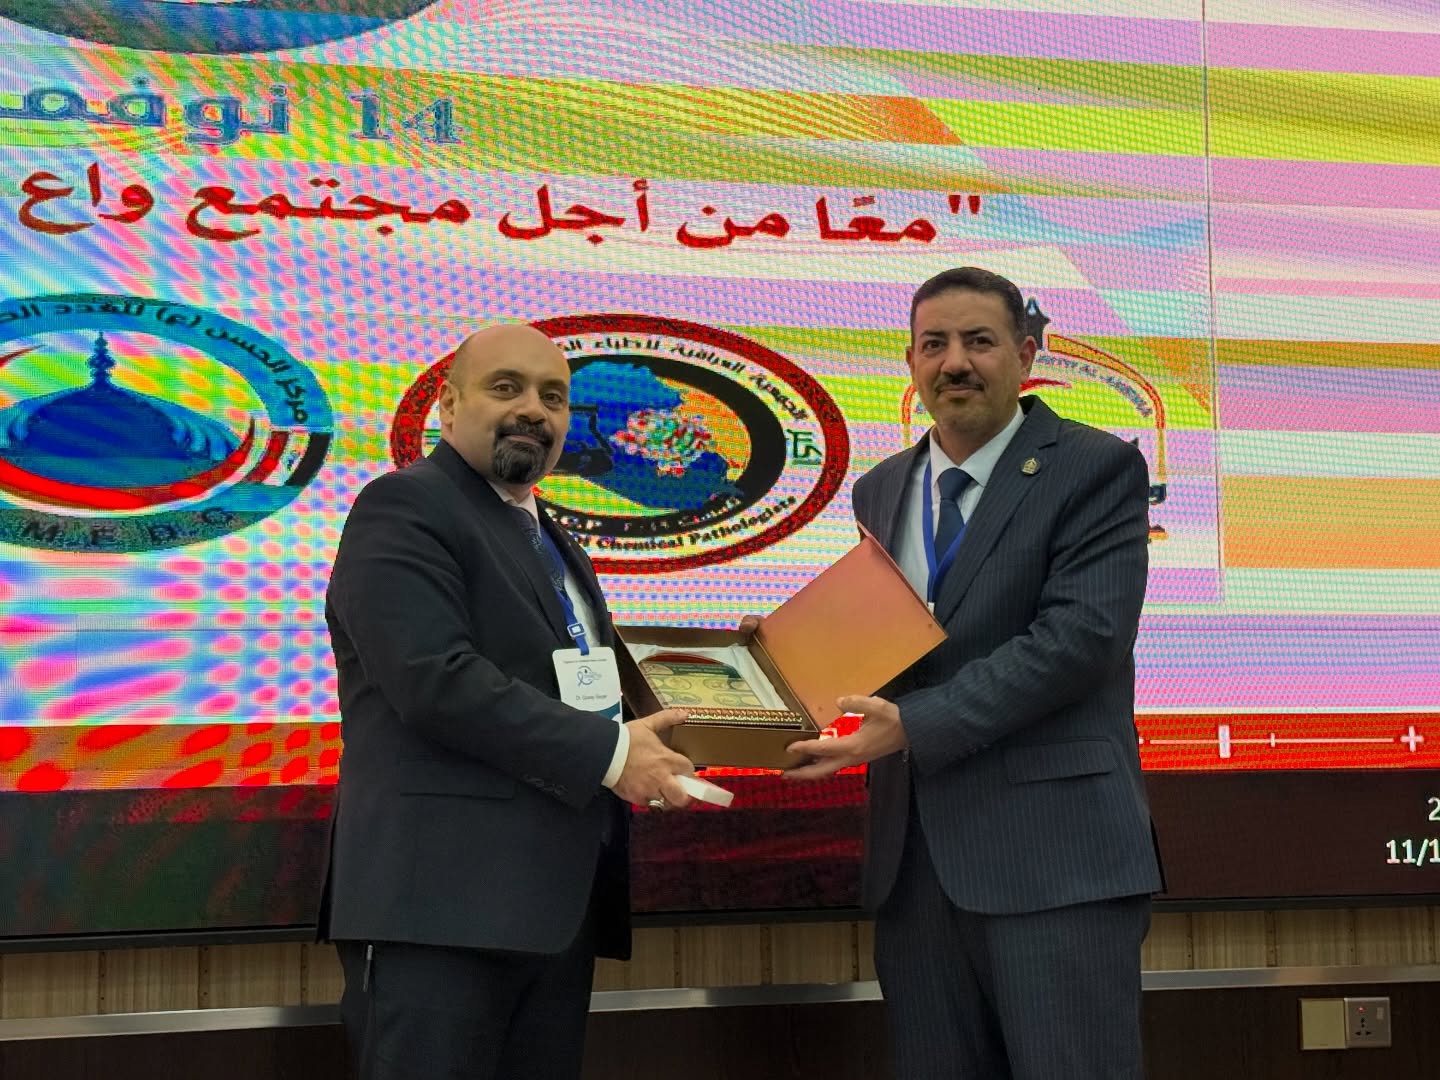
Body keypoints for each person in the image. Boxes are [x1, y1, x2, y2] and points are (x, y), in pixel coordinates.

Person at [776, 267, 1164, 1078]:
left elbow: (1080, 639)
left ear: (1025, 356)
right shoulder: (882, 488)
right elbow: (893, 640)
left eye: (979, 341)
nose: (955, 362)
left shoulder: (1094, 468)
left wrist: (913, 725)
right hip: (914, 870)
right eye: (935, 344)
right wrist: (776, 668)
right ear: (912, 363)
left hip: (1055, 860)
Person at [320, 323, 695, 1080]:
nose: (533, 410)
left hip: (551, 910)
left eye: (554, 397)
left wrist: (722, 697)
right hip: (439, 910)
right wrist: (613, 755)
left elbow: (576, 687)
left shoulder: (548, 537)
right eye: (506, 388)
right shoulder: (405, 504)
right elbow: (434, 678)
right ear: (448, 406)